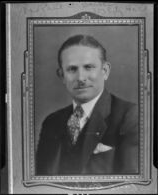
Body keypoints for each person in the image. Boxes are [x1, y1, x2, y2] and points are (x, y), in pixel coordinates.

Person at [36, 34, 138, 175]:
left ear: (105, 71)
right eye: (72, 69)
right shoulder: (51, 122)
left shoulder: (131, 116)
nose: (81, 78)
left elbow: (134, 186)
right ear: (61, 75)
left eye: (88, 67)